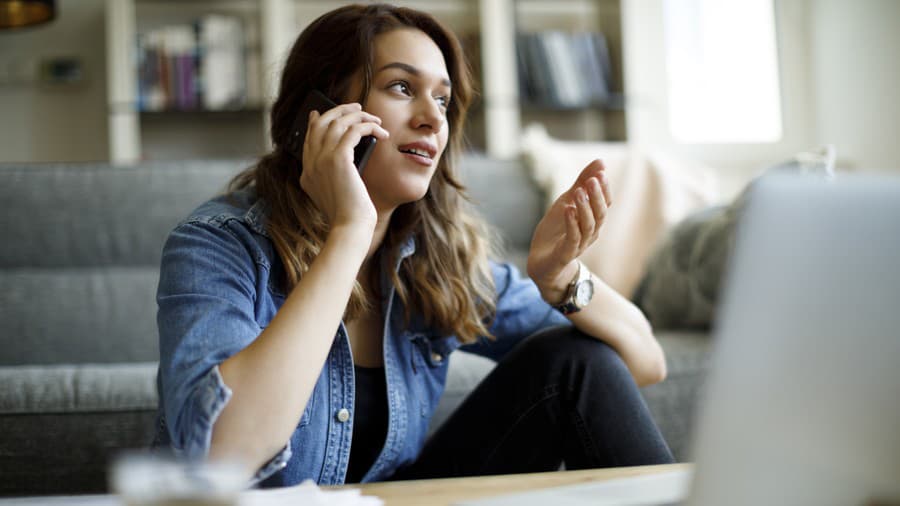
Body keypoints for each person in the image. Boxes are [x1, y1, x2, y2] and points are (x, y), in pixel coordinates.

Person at [153, 3, 673, 488]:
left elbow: (641, 364)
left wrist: (561, 281)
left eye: (443, 99)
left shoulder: (434, 259)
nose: (432, 118)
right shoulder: (218, 244)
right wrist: (348, 233)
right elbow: (223, 456)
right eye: (402, 87)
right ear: (322, 113)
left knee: (573, 360)